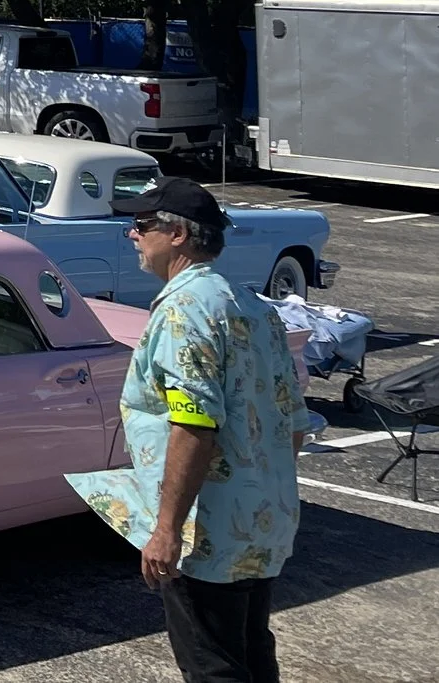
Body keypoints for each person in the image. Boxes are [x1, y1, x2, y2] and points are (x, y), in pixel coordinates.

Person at [67, 178, 305, 683]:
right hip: (264, 518)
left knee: (212, 664)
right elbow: (293, 422)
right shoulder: (253, 307)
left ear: (178, 235)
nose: (132, 234)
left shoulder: (183, 311)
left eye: (141, 224)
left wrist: (168, 529)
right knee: (251, 652)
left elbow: (194, 421)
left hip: (210, 530)